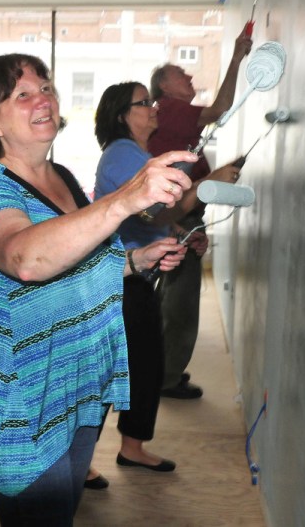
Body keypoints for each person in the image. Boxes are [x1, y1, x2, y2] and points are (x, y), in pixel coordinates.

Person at [0, 54, 192, 525]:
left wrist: (133, 261)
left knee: (62, 513)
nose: (41, 99)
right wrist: (124, 199)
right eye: (21, 95)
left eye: (45, 87)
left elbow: (75, 262)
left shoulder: (61, 176)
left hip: (77, 385)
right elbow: (25, 259)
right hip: (21, 403)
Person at [93, 81, 210, 478]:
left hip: (135, 274)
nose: (153, 107)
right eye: (144, 102)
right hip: (119, 277)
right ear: (124, 115)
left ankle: (132, 447)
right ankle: (83, 461)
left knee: (144, 363)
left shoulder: (136, 154)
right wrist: (203, 189)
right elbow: (153, 211)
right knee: (116, 368)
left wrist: (180, 233)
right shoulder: (123, 154)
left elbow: (155, 219)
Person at [148, 25, 252, 399]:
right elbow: (221, 107)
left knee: (168, 301)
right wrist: (238, 57)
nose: (189, 76)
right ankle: (167, 379)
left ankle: (162, 371)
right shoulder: (172, 109)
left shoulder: (171, 114)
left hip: (176, 214)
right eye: (181, 74)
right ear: (164, 87)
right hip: (178, 215)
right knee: (180, 303)